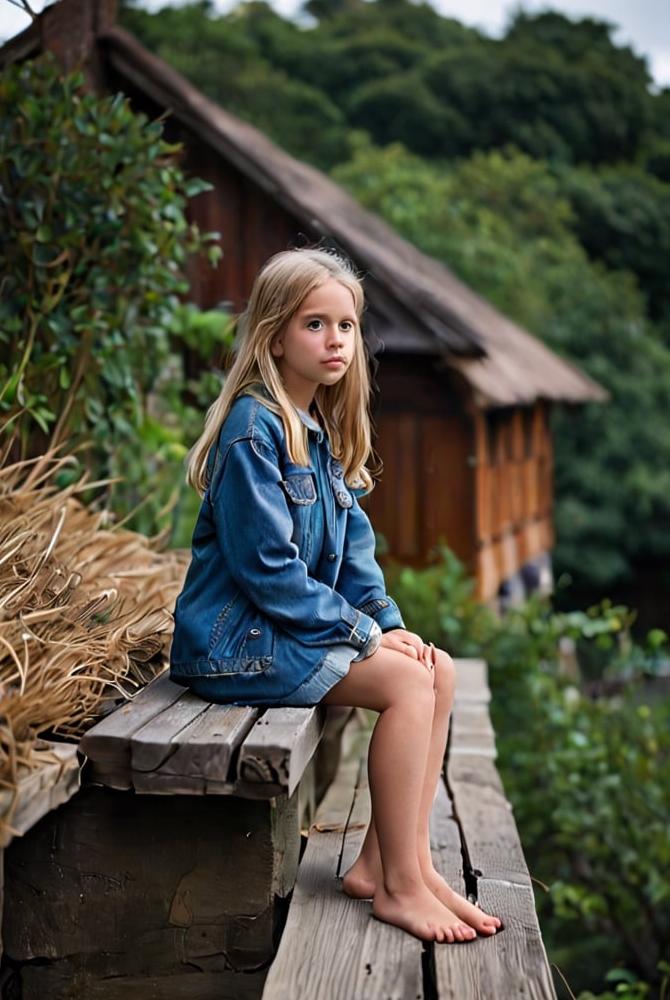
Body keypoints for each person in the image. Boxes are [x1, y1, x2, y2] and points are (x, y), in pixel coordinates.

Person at [170, 246, 501, 943]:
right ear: (274, 335)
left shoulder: (319, 431)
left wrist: (387, 623)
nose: (335, 341)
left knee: (432, 669)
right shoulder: (253, 430)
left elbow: (356, 557)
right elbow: (268, 572)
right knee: (409, 689)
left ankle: (389, 863)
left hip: (283, 631)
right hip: (238, 644)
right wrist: (361, 634)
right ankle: (403, 887)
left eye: (346, 326)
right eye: (314, 325)